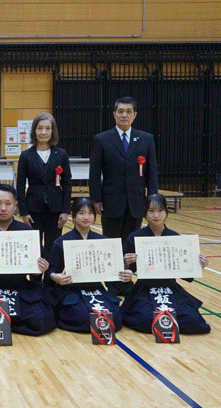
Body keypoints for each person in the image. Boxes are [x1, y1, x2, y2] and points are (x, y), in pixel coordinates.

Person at [0, 184, 56, 336]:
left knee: (42, 320)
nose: (3, 208)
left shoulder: (27, 232)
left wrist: (39, 271)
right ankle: (12, 322)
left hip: (21, 286)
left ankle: (5, 322)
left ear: (15, 206)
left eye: (8, 203)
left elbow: (36, 275)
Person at [89, 96, 158, 295]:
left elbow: (152, 172)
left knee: (132, 243)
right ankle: (112, 283)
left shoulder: (146, 139)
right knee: (111, 243)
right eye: (120, 111)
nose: (124, 115)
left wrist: (153, 201)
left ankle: (127, 282)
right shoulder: (102, 139)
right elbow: (94, 173)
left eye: (128, 111)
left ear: (135, 115)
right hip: (111, 201)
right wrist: (96, 199)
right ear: (114, 114)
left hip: (137, 202)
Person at [121, 194, 211, 334]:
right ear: (145, 213)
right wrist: (126, 263)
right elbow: (128, 271)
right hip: (145, 288)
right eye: (151, 211)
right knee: (144, 319)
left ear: (166, 212)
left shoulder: (176, 238)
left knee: (192, 321)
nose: (156, 215)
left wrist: (199, 265)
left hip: (170, 287)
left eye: (160, 210)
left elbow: (187, 275)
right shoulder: (135, 237)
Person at [45, 197, 133, 332]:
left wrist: (125, 271)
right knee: (82, 316)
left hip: (96, 289)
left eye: (90, 213)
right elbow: (50, 270)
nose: (86, 217)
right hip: (71, 289)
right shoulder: (61, 241)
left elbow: (114, 276)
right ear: (73, 215)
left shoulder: (103, 241)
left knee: (114, 316)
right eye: (81, 213)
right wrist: (55, 277)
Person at [16, 113, 72, 258]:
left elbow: (67, 184)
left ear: (53, 131)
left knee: (53, 248)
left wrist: (65, 211)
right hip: (33, 209)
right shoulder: (26, 155)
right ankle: (36, 274)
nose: (43, 132)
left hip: (56, 210)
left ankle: (51, 273)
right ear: (34, 130)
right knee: (34, 248)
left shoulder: (61, 154)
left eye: (48, 128)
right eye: (40, 128)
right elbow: (20, 185)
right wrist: (24, 212)